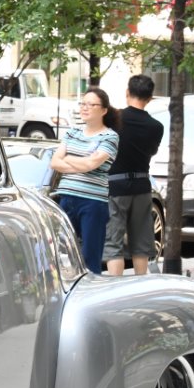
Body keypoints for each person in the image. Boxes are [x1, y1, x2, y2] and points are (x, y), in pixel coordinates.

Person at [50, 86, 120, 274]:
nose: (85, 108)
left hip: (93, 202)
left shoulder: (110, 136)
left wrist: (70, 159)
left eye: (91, 104)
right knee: (61, 253)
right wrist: (82, 162)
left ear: (104, 110)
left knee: (90, 256)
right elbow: (54, 162)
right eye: (83, 103)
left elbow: (93, 164)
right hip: (67, 198)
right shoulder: (72, 133)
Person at [105, 75, 166, 276]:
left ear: (127, 93)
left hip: (115, 185)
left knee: (114, 242)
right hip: (142, 185)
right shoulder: (156, 127)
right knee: (141, 242)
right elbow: (152, 151)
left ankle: (115, 287)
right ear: (150, 98)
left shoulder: (115, 119)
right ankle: (140, 285)